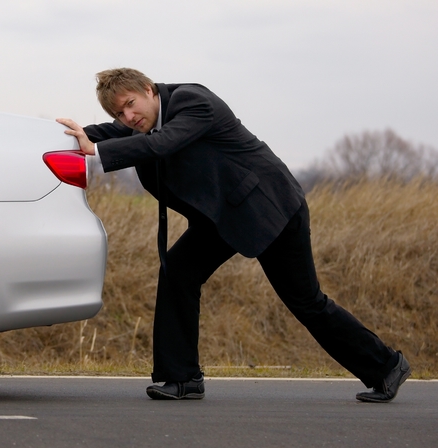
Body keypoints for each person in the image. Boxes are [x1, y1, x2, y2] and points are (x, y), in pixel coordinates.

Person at [57, 68, 409, 403]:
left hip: (269, 208)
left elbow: (164, 143)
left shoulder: (193, 102)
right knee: (178, 270)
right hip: (222, 218)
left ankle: (387, 366)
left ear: (148, 89)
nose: (128, 117)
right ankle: (183, 378)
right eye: (120, 113)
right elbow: (109, 133)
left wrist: (97, 152)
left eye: (130, 104)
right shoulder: (143, 122)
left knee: (307, 302)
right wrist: (57, 136)